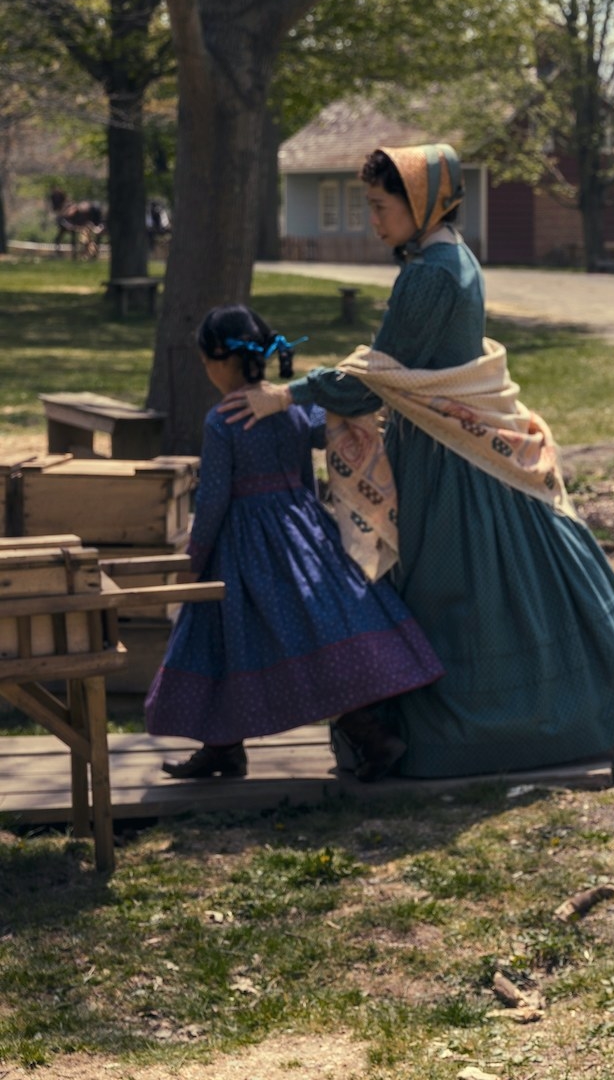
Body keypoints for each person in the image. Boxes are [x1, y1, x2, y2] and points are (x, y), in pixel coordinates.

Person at [219, 143, 614, 778]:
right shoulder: (454, 256)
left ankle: (482, 733)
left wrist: (284, 396)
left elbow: (374, 377)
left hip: (449, 457)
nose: (374, 221)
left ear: (419, 204)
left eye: (380, 207)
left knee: (454, 588)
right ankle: (577, 706)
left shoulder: (430, 275)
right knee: (504, 580)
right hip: (453, 438)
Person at [145, 305, 442, 781]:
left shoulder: (222, 420)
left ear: (221, 362)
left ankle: (225, 747)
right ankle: (366, 735)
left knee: (223, 635)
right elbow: (330, 427)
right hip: (305, 532)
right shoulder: (291, 406)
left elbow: (215, 496)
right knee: (318, 629)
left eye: (206, 361)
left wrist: (195, 556)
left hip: (242, 545)